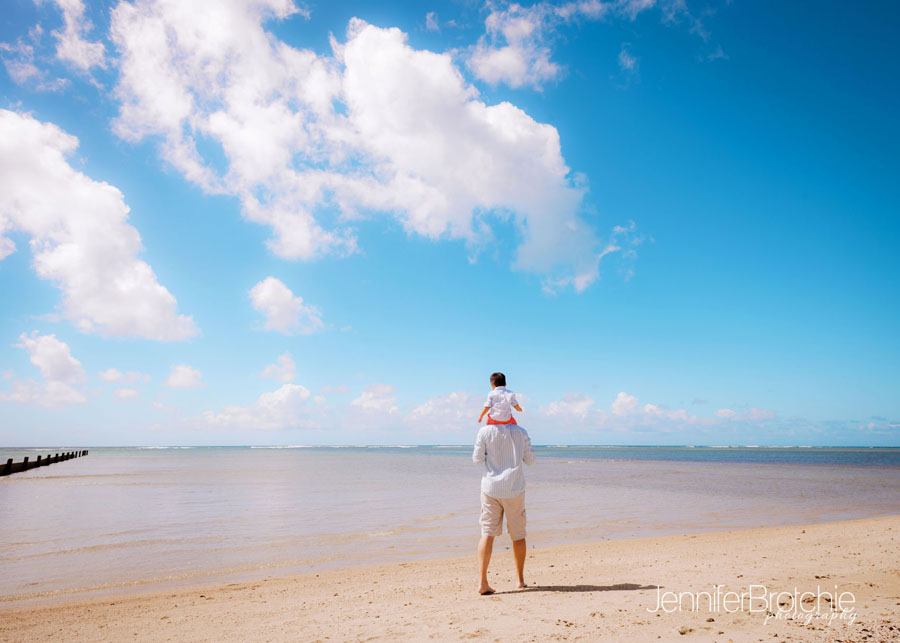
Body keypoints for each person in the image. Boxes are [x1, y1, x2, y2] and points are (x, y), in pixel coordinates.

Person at [473, 372, 535, 595]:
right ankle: (519, 580)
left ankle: (482, 582)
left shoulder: (484, 432)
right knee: (518, 535)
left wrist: (492, 455)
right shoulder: (521, 432)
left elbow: (476, 460)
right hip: (514, 489)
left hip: (490, 489)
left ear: (491, 385)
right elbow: (531, 460)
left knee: (487, 533)